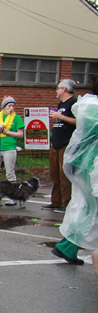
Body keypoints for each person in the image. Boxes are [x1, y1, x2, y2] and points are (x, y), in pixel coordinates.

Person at [50, 73, 98, 267]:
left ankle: (68, 246)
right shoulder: (93, 108)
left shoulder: (87, 105)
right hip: (92, 165)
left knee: (89, 207)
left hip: (84, 163)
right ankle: (68, 246)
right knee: (91, 209)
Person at [45, 79, 77, 213]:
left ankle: (66, 203)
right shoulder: (60, 104)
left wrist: (61, 116)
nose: (56, 90)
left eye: (58, 88)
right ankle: (55, 201)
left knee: (64, 175)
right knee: (54, 175)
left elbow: (78, 121)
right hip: (56, 144)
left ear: (64, 89)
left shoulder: (74, 103)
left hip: (66, 144)